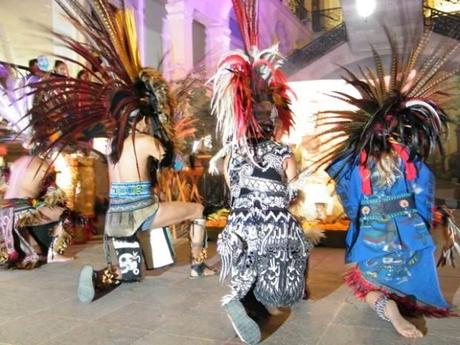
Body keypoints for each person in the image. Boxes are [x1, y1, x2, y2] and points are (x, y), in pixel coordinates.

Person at [19, 0, 216, 303]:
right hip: (142, 213)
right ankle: (198, 267)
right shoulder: (147, 142)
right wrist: (167, 131)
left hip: (116, 217)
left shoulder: (110, 143)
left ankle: (102, 276)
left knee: (128, 271)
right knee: (197, 210)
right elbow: (176, 164)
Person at [317, 30, 457, 338]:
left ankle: (385, 307)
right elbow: (424, 190)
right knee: (407, 275)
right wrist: (422, 220)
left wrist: (358, 221)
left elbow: (351, 201)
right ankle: (398, 303)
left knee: (367, 286)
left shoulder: (355, 162)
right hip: (409, 231)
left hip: (373, 233)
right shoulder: (408, 157)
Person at [209, 1, 312, 343]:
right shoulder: (284, 152)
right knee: (294, 247)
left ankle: (246, 303)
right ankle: (261, 304)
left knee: (247, 262)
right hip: (274, 228)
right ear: (274, 123)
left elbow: (234, 192)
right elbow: (294, 189)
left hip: (238, 227)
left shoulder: (230, 156)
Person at [0, 155, 75, 268]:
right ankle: (54, 254)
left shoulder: (17, 162)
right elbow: (55, 196)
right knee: (66, 213)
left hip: (4, 212)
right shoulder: (43, 165)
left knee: (36, 210)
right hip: (22, 212)